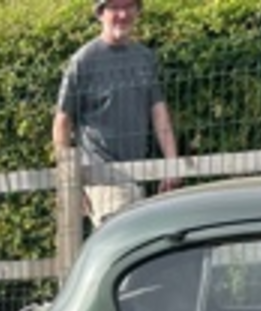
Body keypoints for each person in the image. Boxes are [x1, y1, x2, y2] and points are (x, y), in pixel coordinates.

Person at [53, 0, 180, 226]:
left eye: (129, 6)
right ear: (100, 13)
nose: (122, 14)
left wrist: (172, 164)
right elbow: (62, 122)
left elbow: (158, 112)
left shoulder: (144, 58)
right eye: (114, 8)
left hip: (139, 176)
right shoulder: (83, 61)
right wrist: (70, 182)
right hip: (103, 176)